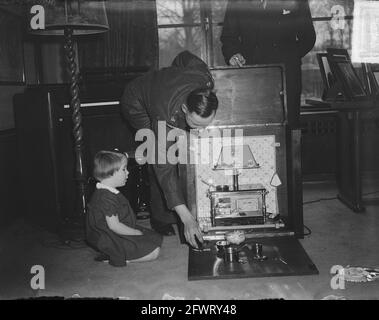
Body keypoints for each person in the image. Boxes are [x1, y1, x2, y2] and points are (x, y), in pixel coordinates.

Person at [120, 51, 218, 248]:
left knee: (184, 151)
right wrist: (187, 219)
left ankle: (180, 205)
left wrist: (174, 73)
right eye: (196, 124)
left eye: (206, 124)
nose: (202, 130)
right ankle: (161, 217)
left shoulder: (204, 76)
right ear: (184, 109)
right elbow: (163, 165)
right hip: (137, 103)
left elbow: (184, 56)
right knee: (163, 158)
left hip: (162, 92)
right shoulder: (164, 114)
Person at [220, 0, 316, 127]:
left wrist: (289, 57)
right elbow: (228, 38)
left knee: (289, 128)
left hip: (287, 77)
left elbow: (308, 37)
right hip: (252, 76)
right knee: (255, 128)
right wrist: (233, 54)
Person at [86, 150, 163, 267]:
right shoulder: (106, 197)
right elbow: (115, 226)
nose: (127, 173)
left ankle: (121, 251)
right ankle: (116, 256)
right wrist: (135, 232)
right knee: (154, 252)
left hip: (116, 231)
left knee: (153, 238)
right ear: (110, 173)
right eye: (124, 169)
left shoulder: (108, 192)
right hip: (109, 237)